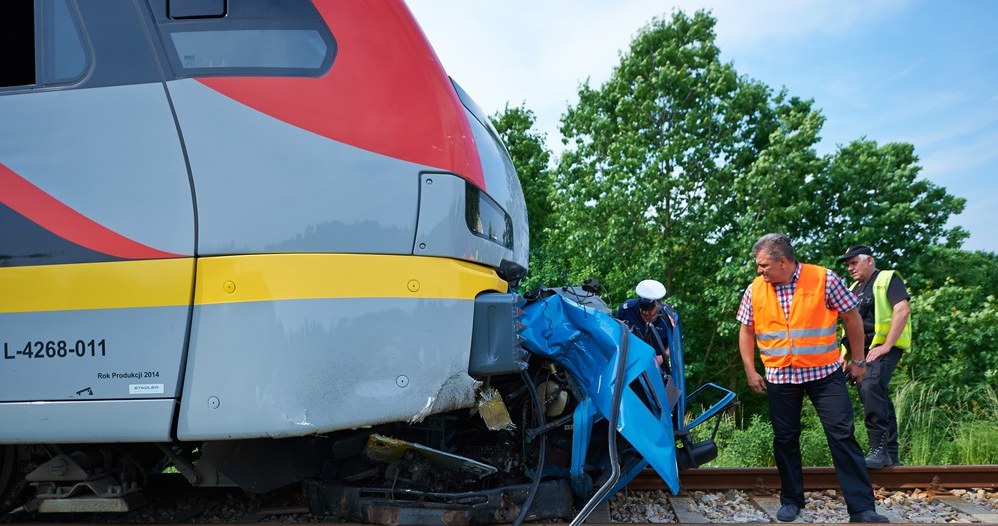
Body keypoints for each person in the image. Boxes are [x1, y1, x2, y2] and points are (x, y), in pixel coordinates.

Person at [736, 234, 888, 523]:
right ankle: (791, 501)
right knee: (785, 439)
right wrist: (750, 369)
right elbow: (746, 330)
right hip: (781, 374)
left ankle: (862, 508)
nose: (759, 271)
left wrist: (858, 360)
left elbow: (852, 317)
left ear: (783, 261)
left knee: (842, 435)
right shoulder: (755, 289)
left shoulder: (824, 279)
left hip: (824, 373)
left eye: (763, 265)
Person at [837, 245, 912, 469]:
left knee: (870, 386)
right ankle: (890, 455)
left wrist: (887, 344)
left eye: (853, 262)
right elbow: (850, 325)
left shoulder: (887, 279)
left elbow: (902, 310)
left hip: (882, 348)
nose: (850, 268)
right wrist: (845, 355)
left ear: (869, 260)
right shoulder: (853, 288)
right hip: (861, 353)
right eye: (847, 264)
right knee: (874, 394)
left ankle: (878, 450)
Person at [617, 279, 674, 371]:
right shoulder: (627, 310)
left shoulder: (668, 318)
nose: (645, 312)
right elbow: (616, 332)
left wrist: (662, 357)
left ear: (658, 304)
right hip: (628, 366)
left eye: (649, 309)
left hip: (655, 371)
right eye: (642, 308)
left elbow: (675, 342)